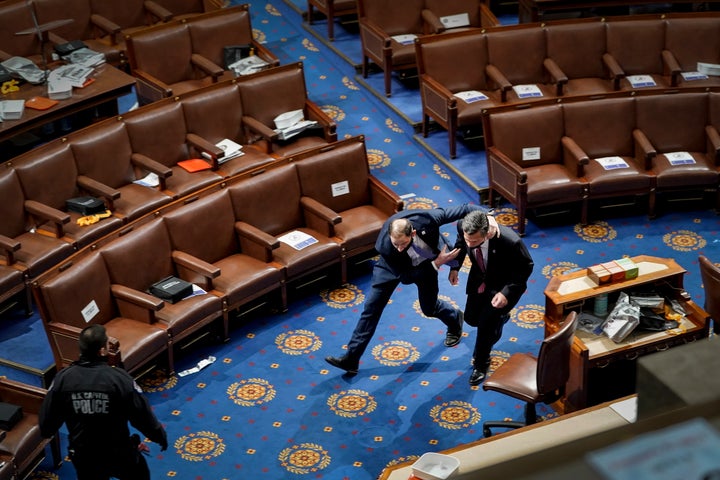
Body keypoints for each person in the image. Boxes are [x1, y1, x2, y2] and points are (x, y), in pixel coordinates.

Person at [325, 204, 475, 374]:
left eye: (403, 243)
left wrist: (487, 215)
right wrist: (436, 264)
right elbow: (406, 277)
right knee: (371, 309)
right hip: (393, 268)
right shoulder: (388, 247)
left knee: (429, 308)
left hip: (426, 262)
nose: (399, 248)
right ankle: (351, 359)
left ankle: (454, 318)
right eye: (396, 243)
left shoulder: (427, 219)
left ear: (412, 233)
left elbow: (463, 209)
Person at [39, 324, 168, 480]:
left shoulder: (62, 379)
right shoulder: (120, 379)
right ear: (102, 350)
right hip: (118, 452)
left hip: (84, 454)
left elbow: (47, 423)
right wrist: (159, 436)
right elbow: (142, 415)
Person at [450, 207, 534, 385]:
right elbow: (460, 243)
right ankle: (500, 319)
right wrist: (455, 267)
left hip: (502, 286)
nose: (470, 244)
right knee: (472, 319)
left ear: (487, 233)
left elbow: (525, 268)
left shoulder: (511, 241)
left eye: (474, 241)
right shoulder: (462, 227)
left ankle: (481, 363)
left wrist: (506, 293)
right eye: (468, 239)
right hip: (479, 279)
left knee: (485, 327)